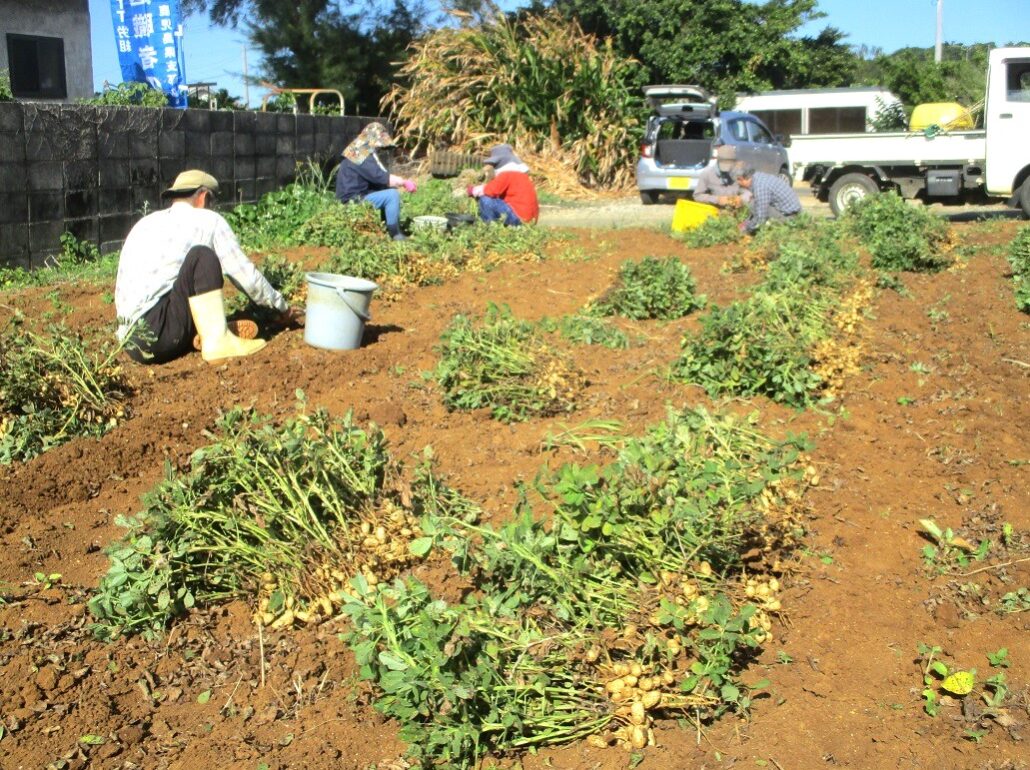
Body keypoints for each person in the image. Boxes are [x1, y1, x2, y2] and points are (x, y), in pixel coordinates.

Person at [115, 170, 301, 364]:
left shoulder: (144, 224)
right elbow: (245, 276)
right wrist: (281, 308)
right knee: (201, 257)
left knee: (179, 278)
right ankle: (217, 341)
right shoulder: (209, 220)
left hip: (131, 341)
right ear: (203, 197)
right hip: (159, 335)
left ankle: (197, 334)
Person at [334, 122, 417, 241]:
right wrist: (404, 182)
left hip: (352, 198)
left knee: (387, 190)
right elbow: (381, 178)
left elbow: (379, 177)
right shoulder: (360, 155)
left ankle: (385, 230)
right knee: (391, 195)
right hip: (352, 202)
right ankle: (395, 234)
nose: (380, 148)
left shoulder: (357, 150)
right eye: (379, 145)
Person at [466, 144, 539, 226]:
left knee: (485, 199)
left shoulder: (507, 174)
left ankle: (488, 226)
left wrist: (472, 190)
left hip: (519, 218)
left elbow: (491, 191)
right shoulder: (520, 174)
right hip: (529, 219)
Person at [735, 165, 802, 234]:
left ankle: (777, 226)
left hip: (790, 217)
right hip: (791, 211)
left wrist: (746, 229)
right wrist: (747, 222)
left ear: (744, 179)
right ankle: (762, 224)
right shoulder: (757, 176)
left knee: (754, 206)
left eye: (739, 180)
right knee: (754, 203)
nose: (738, 183)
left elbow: (760, 217)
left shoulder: (760, 186)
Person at [693, 144, 751, 209]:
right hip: (716, 210)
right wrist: (717, 199)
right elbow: (697, 196)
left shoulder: (741, 171)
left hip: (739, 209)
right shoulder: (707, 173)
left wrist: (741, 199)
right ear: (718, 160)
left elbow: (750, 192)